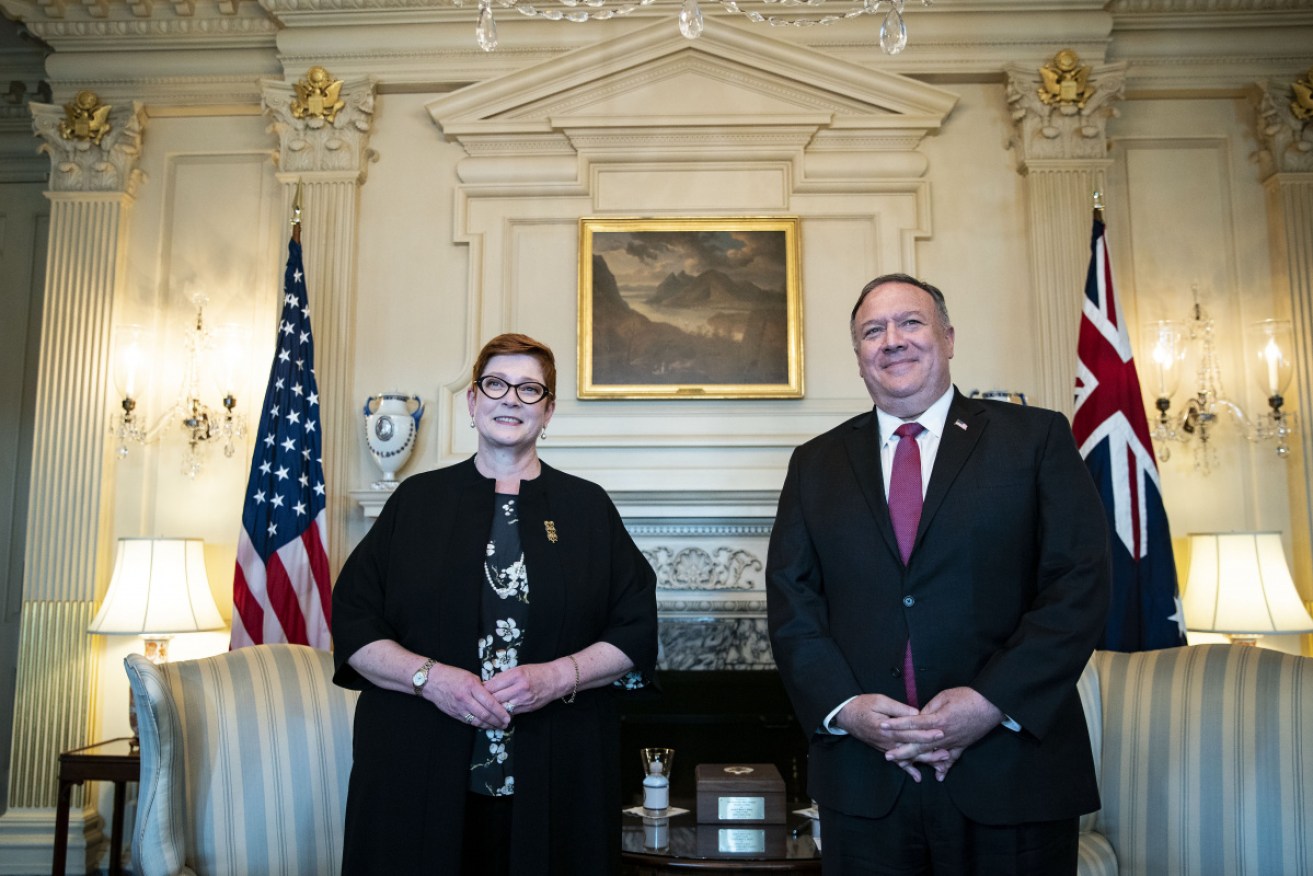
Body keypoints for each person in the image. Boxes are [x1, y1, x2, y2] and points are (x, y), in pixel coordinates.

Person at [766, 274, 1111, 874]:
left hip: (1012, 775)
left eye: (910, 323)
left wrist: (988, 703)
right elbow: (792, 606)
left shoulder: (1034, 439)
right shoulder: (814, 463)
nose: (892, 340)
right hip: (867, 784)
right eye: (873, 331)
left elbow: (1078, 586)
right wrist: (847, 708)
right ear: (858, 358)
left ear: (948, 338)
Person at [332, 332, 658, 875]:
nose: (511, 398)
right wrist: (431, 678)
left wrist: (558, 676)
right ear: (473, 401)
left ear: (548, 412)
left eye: (531, 390)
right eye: (496, 384)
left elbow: (636, 631)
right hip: (414, 773)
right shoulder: (415, 502)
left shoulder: (587, 508)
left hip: (557, 776)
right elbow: (354, 625)